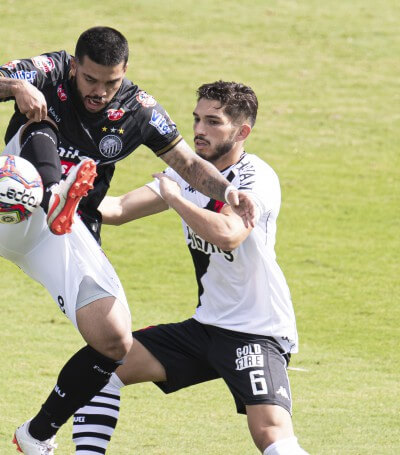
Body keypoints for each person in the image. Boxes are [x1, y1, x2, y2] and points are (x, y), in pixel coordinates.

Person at [0, 27, 255, 454]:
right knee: (41, 124)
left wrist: (226, 192)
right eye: (90, 80)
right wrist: (15, 86)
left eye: (111, 83)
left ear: (125, 73)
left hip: (65, 231)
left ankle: (35, 436)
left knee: (115, 341)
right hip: (14, 209)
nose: (99, 92)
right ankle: (56, 191)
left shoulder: (140, 109)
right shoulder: (49, 71)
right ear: (75, 67)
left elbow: (187, 162)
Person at [70, 81, 307, 454]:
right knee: (100, 370)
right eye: (197, 119)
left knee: (270, 434)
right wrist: (62, 194)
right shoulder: (190, 174)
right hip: (205, 326)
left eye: (213, 122)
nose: (198, 130)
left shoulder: (255, 178)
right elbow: (115, 210)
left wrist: (176, 200)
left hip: (256, 330)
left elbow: (229, 234)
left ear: (242, 132)